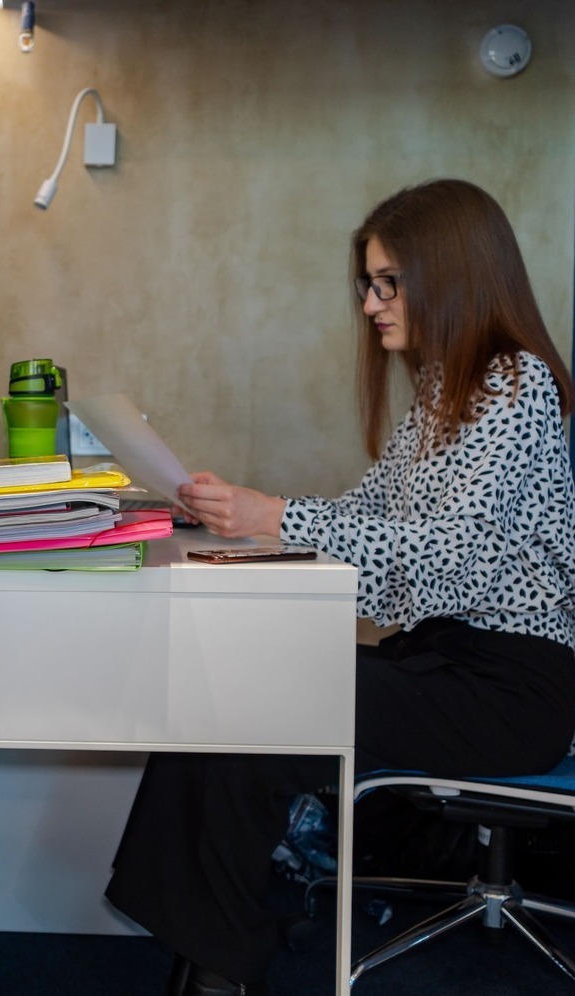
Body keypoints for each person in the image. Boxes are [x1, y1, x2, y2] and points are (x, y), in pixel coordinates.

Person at [105, 178, 575, 996]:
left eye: (389, 282)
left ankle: (218, 963)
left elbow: (449, 560)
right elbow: (365, 515)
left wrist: (277, 516)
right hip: (443, 661)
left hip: (508, 687)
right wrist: (248, 519)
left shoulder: (515, 384)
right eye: (367, 283)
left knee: (252, 700)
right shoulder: (442, 393)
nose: (370, 304)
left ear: (451, 274)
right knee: (220, 686)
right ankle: (215, 955)